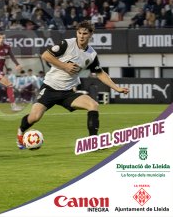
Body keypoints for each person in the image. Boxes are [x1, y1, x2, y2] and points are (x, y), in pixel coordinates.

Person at [16, 21, 130, 149]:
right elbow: (46, 55)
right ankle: (20, 132)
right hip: (50, 88)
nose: (81, 36)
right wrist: (65, 66)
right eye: (79, 33)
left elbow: (100, 73)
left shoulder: (91, 54)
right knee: (34, 117)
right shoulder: (67, 44)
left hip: (68, 92)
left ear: (91, 34)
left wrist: (117, 88)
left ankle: (93, 142)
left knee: (93, 105)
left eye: (85, 33)